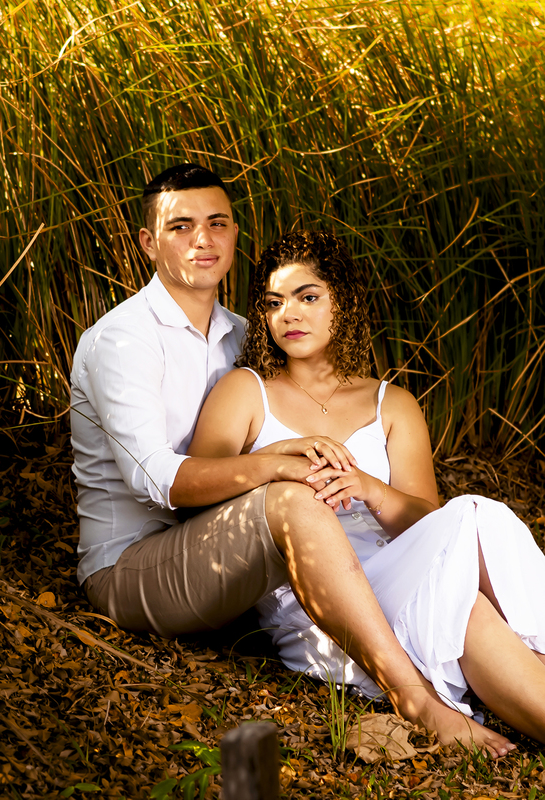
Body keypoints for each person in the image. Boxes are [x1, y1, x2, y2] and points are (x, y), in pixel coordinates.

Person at [70, 165, 517, 756]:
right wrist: (275, 462)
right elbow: (158, 481)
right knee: (294, 499)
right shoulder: (123, 339)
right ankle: (415, 698)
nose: (202, 240)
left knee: (473, 532)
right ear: (149, 243)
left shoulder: (246, 335)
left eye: (217, 223)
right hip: (132, 564)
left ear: (235, 235)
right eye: (180, 227)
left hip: (232, 558)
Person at [184, 230, 545, 751]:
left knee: (475, 540)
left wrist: (372, 490)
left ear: (344, 302)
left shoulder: (391, 403)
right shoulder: (246, 390)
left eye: (308, 296)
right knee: (466, 580)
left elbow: (429, 527)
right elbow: (198, 495)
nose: (288, 314)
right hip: (323, 599)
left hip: (401, 569)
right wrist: (278, 461)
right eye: (274, 302)